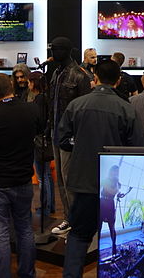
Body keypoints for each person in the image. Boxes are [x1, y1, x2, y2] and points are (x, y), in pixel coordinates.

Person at [58, 59, 143, 277]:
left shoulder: (76, 105)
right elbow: (138, 148)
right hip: (107, 193)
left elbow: (62, 140)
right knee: (108, 233)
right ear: (119, 80)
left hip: (84, 182)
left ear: (94, 78)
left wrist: (80, 144)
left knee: (78, 236)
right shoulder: (127, 109)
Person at [0, 72, 42, 278]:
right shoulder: (32, 109)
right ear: (12, 86)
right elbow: (38, 130)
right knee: (25, 230)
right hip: (23, 179)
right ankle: (27, 273)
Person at [48, 36, 91, 235]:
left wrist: (77, 136)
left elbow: (84, 109)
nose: (53, 53)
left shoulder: (80, 76)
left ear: (65, 51)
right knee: (60, 179)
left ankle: (77, 221)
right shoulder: (56, 73)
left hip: (70, 135)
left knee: (70, 179)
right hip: (55, 131)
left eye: (56, 49)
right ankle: (68, 218)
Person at [28, 70, 55, 216]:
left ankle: (45, 207)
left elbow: (38, 121)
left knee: (42, 176)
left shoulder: (39, 100)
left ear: (33, 83)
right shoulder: (47, 98)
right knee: (47, 176)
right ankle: (49, 206)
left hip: (39, 141)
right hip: (46, 140)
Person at [100, 165, 129, 255]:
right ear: (110, 171)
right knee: (99, 226)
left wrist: (120, 195)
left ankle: (114, 247)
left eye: (117, 171)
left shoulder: (118, 183)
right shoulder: (105, 180)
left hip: (110, 204)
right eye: (114, 171)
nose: (115, 173)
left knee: (112, 227)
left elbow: (116, 193)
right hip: (102, 203)